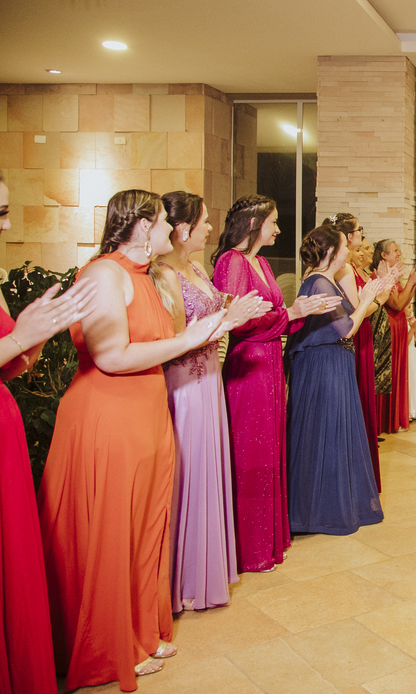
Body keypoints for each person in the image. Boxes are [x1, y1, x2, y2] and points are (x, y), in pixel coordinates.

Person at [40, 190, 232, 689]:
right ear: (143, 226)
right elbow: (111, 356)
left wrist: (211, 328)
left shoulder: (145, 277)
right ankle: (108, 645)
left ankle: (141, 631)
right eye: (165, 220)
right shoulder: (104, 274)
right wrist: (192, 338)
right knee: (114, 531)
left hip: (146, 412)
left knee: (146, 525)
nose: (172, 228)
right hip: (108, 417)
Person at [0, 174, 97, 694]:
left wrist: (33, 337)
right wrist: (21, 336)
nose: (7, 225)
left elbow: (12, 361)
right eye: (0, 215)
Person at [212, 195, 341, 573]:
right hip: (248, 366)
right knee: (250, 453)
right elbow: (239, 322)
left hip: (269, 362)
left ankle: (268, 540)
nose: (279, 230)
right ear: (254, 224)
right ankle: (247, 548)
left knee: (270, 449)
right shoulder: (231, 262)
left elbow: (275, 315)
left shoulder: (263, 263)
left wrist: (299, 314)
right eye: (273, 222)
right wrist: (291, 312)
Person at [157, 192, 269, 613]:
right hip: (185, 381)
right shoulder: (165, 274)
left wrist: (233, 312)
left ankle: (204, 569)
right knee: (188, 469)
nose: (209, 228)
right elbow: (175, 340)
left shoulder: (198, 268)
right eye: (204, 221)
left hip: (209, 377)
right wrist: (226, 322)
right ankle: (181, 580)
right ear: (183, 229)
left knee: (208, 465)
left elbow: (216, 313)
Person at [287, 225, 388, 535]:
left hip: (334, 363)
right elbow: (345, 330)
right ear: (331, 252)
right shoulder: (319, 282)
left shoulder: (326, 280)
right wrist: (366, 299)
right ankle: (319, 511)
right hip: (322, 366)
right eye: (345, 246)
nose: (349, 251)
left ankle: (332, 504)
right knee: (324, 434)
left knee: (335, 433)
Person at [327, 215, 386, 492]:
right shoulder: (346, 270)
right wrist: (379, 297)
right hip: (353, 336)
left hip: (353, 336)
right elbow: (355, 312)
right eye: (359, 230)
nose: (362, 234)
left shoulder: (344, 267)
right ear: (349, 237)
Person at [372, 239, 416, 433]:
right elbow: (397, 304)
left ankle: (395, 418)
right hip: (388, 328)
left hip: (397, 326)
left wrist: (413, 285)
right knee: (390, 374)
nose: (399, 254)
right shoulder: (381, 276)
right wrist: (411, 282)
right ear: (383, 255)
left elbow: (403, 302)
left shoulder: (392, 277)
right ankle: (385, 420)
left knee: (397, 374)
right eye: (395, 251)